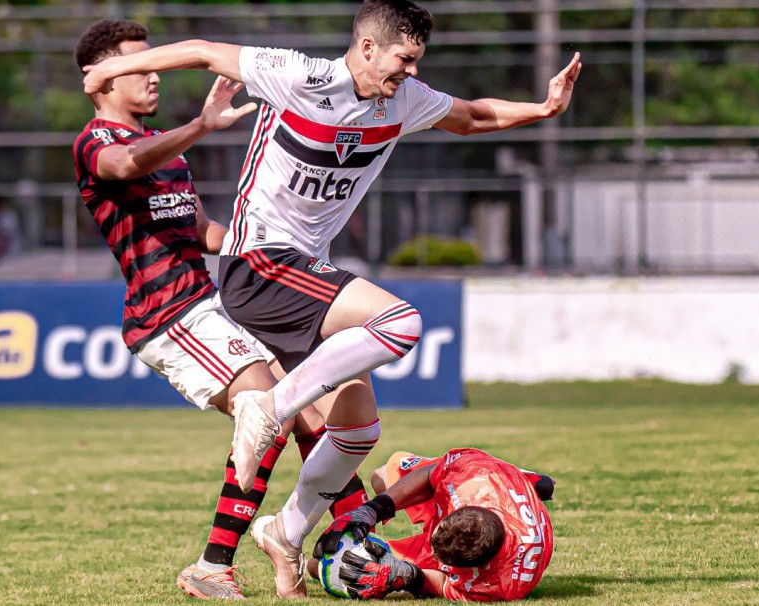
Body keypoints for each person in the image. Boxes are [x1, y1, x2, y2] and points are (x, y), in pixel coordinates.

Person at [82, 0, 580, 597]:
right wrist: (104, 75)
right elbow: (203, 52)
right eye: (402, 60)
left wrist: (543, 108)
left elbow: (472, 116)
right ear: (366, 48)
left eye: (417, 63)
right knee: (400, 323)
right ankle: (265, 429)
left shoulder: (405, 101)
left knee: (356, 432)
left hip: (302, 272)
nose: (409, 74)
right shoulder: (299, 76)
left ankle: (285, 534)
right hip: (260, 263)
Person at [73, 19, 294, 601]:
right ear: (101, 80)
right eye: (139, 65)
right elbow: (125, 167)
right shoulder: (95, 144)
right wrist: (201, 125)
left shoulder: (168, 152)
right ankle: (216, 562)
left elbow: (202, 232)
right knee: (270, 408)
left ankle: (338, 538)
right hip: (168, 317)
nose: (154, 74)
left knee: (315, 409)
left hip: (206, 304)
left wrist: (274, 246)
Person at [311, 448, 556, 601]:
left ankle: (527, 480)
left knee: (324, 566)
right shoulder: (471, 478)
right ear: (459, 508)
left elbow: (443, 585)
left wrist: (407, 576)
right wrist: (372, 510)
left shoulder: (500, 586)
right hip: (493, 478)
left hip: (500, 507)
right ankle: (528, 479)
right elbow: (429, 475)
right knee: (382, 476)